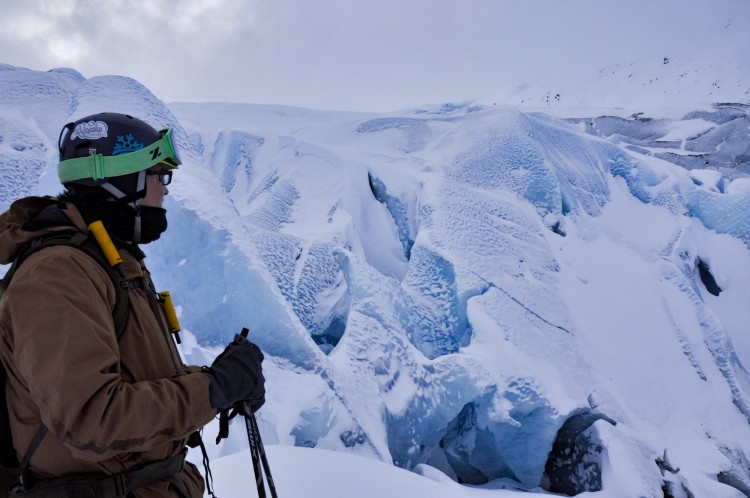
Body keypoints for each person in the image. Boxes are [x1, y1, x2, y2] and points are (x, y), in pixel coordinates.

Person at [0, 113, 265, 497]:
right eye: (159, 175)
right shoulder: (58, 275)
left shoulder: (109, 261)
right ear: (120, 181)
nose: (165, 191)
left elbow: (134, 376)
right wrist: (213, 389)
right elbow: (93, 418)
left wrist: (221, 381)